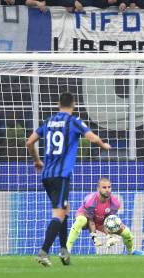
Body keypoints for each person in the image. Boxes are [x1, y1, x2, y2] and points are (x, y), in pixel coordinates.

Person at [26, 92, 111, 267]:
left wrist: (36, 160)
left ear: (59, 104)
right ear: (73, 105)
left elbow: (29, 142)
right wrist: (103, 144)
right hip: (61, 175)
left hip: (46, 175)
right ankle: (43, 252)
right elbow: (91, 137)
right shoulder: (73, 121)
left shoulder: (48, 121)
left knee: (64, 210)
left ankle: (64, 250)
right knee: (59, 213)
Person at [66, 177, 144, 255]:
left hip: (101, 221)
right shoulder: (90, 201)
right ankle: (67, 249)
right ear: (98, 189)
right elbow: (91, 221)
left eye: (109, 187)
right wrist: (95, 239)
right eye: (104, 187)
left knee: (126, 232)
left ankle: (131, 251)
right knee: (81, 220)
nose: (107, 190)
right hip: (87, 218)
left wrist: (110, 237)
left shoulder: (115, 203)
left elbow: (109, 221)